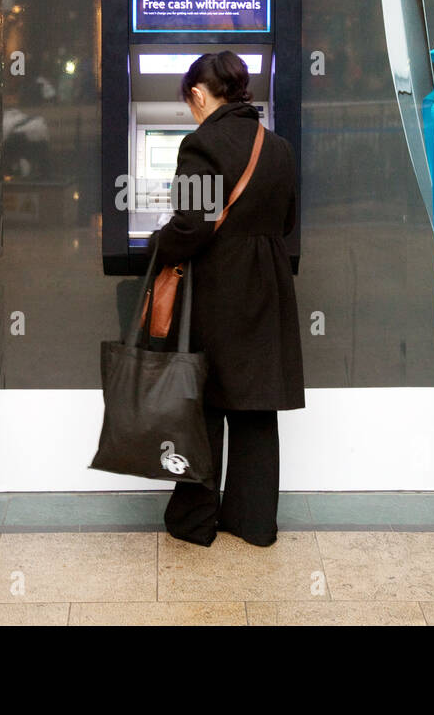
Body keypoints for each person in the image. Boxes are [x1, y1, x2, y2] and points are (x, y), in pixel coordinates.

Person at [151, 51, 305, 547]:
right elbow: (286, 223)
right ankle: (254, 521)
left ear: (199, 95)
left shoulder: (201, 143)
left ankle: (196, 521)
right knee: (257, 405)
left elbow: (192, 225)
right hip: (267, 284)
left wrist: (160, 243)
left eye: (189, 103)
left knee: (204, 403)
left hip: (217, 288)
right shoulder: (277, 146)